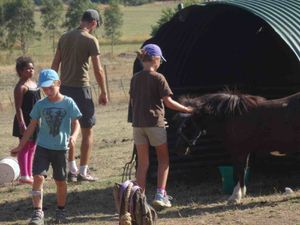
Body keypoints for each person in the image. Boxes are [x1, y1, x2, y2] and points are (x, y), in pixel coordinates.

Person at [11, 69, 82, 225]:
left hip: (61, 149)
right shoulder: (40, 104)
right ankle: (38, 212)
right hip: (43, 147)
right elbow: (31, 126)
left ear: (58, 83)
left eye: (50, 87)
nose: (47, 91)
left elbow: (76, 123)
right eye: (44, 88)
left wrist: (74, 136)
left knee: (60, 181)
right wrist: (20, 146)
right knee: (37, 177)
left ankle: (61, 211)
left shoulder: (68, 102)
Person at [129, 44, 193, 209]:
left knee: (143, 164)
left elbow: (133, 101)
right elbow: (168, 102)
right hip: (155, 124)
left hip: (138, 126)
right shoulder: (159, 78)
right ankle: (160, 194)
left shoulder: (135, 78)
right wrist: (187, 109)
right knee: (164, 160)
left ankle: (140, 200)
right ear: (156, 59)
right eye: (160, 61)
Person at [51, 9, 108, 182]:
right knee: (87, 130)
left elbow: (54, 65)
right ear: (94, 23)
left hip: (64, 89)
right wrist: (103, 91)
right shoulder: (91, 40)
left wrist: (53, 89)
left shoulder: (64, 37)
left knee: (68, 130)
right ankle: (83, 171)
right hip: (82, 90)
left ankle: (71, 170)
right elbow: (98, 69)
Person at [12, 56, 41, 184]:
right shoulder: (20, 87)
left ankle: (30, 174)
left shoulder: (35, 84)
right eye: (27, 69)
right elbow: (18, 108)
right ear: (20, 71)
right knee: (24, 146)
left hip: (35, 121)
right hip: (24, 121)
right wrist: (21, 124)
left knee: (33, 147)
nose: (30, 71)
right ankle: (24, 176)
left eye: (32, 68)